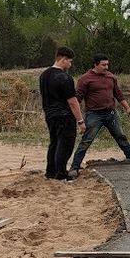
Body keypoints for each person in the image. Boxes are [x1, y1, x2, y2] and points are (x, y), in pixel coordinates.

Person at [69, 53, 130, 174]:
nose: (106, 67)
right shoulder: (85, 79)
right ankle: (75, 167)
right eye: (103, 65)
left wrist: (127, 108)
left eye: (107, 64)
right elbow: (77, 98)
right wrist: (76, 116)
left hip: (111, 113)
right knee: (87, 140)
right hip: (94, 115)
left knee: (120, 136)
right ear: (95, 64)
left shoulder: (111, 77)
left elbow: (118, 94)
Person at [38, 46, 85, 181]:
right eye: (70, 61)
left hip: (50, 114)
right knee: (65, 144)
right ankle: (60, 173)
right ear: (63, 59)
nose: (70, 65)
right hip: (64, 115)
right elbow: (72, 101)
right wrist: (80, 121)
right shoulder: (65, 78)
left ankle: (50, 172)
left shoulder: (44, 75)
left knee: (54, 143)